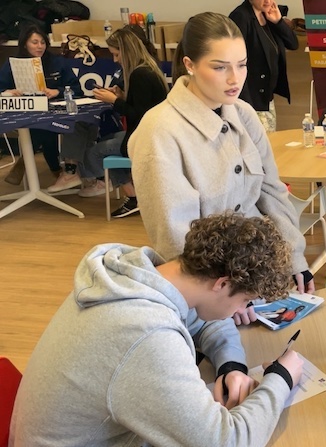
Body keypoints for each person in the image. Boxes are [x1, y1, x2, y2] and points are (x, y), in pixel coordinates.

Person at [9, 212, 305, 445]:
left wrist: (231, 365)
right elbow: (227, 441)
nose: (242, 311)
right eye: (245, 300)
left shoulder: (142, 275)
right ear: (223, 284)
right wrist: (280, 378)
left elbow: (205, 321)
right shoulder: (144, 334)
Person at [129, 12, 314, 323]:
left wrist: (294, 256)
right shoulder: (159, 131)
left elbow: (271, 192)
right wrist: (228, 296)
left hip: (253, 277)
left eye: (242, 65)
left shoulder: (243, 113)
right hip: (209, 295)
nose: (235, 79)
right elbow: (175, 240)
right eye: (220, 67)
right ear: (189, 64)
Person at [50, 28, 169, 220]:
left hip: (147, 136)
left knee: (96, 152)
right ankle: (131, 192)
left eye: (116, 54)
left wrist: (114, 100)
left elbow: (140, 115)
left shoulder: (140, 75)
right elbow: (143, 106)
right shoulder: (147, 69)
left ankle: (132, 197)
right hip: (150, 132)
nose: (115, 60)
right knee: (107, 141)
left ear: (127, 51)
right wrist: (121, 96)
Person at [0, 24, 83, 185]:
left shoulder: (58, 62)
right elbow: (1, 87)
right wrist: (8, 92)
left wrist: (57, 91)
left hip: (52, 110)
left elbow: (76, 88)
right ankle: (55, 170)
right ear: (25, 44)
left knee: (45, 126)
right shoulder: (12, 64)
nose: (39, 46)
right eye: (34, 42)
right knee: (42, 127)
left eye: (42, 42)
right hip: (22, 110)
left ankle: (30, 160)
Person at [229, 0, 298, 133]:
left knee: (270, 143)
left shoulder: (268, 14)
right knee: (261, 145)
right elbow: (234, 61)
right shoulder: (241, 17)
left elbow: (293, 44)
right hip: (251, 99)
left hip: (266, 98)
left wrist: (278, 21)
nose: (268, 1)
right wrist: (245, 108)